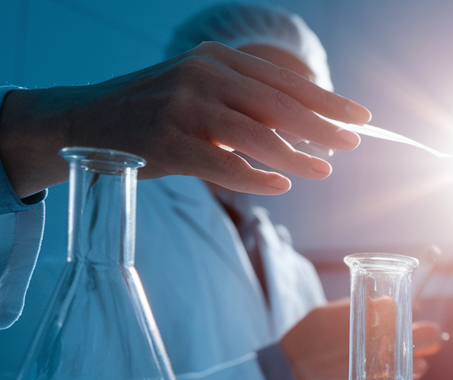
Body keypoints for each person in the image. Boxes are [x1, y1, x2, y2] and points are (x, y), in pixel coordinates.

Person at [130, 3, 443, 380]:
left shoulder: (289, 264)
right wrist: (282, 374)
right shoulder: (114, 214)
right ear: (193, 87)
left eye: (295, 103)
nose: (273, 119)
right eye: (254, 93)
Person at [0, 40, 370, 330]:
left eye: (304, 101)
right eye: (261, 87)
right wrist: (281, 375)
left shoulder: (296, 268)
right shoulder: (109, 204)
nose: (283, 118)